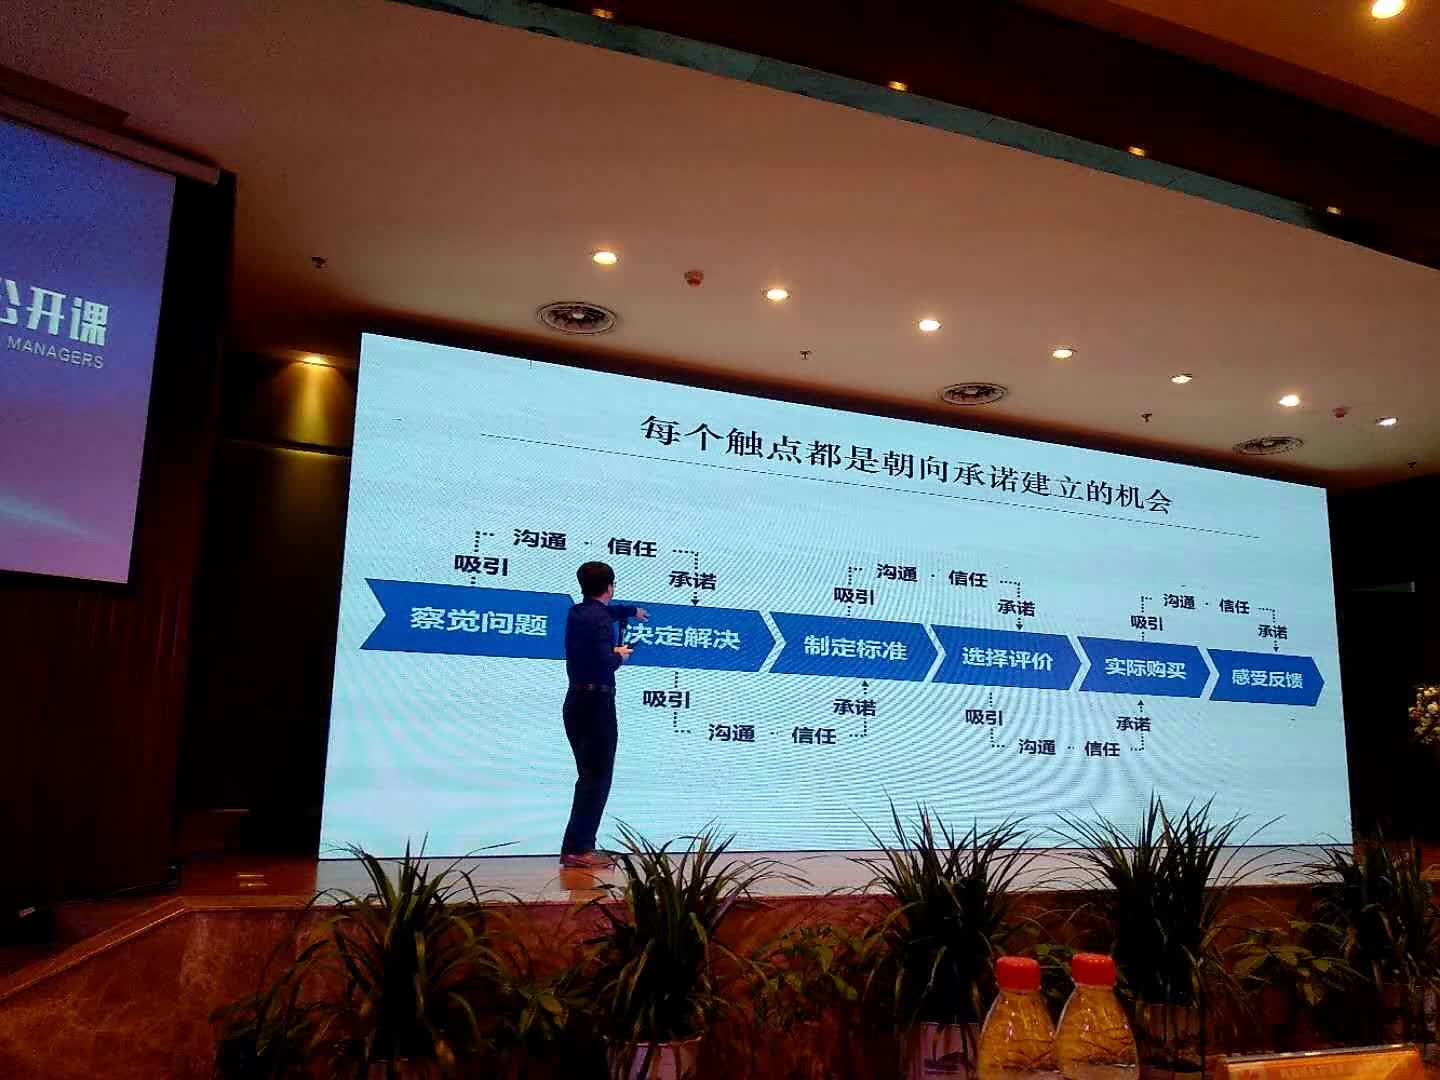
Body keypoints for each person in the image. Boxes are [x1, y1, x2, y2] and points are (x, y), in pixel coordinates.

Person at [559, 561, 648, 869]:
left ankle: (577, 846)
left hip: (577, 701)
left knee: (589, 776)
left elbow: (605, 612)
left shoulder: (579, 612)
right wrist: (619, 656)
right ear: (610, 587)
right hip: (596, 703)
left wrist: (630, 611)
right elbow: (604, 663)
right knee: (596, 777)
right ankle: (579, 849)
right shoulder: (599, 620)